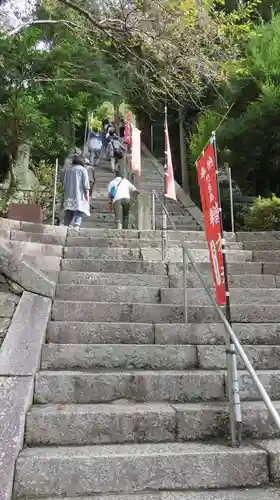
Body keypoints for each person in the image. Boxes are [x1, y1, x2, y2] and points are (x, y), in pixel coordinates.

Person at [63, 154, 90, 228]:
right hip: (79, 193)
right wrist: (87, 192)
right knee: (79, 209)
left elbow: (64, 182)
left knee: (69, 210)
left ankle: (66, 225)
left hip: (69, 193)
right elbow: (85, 183)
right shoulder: (82, 169)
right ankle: (77, 225)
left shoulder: (69, 169)